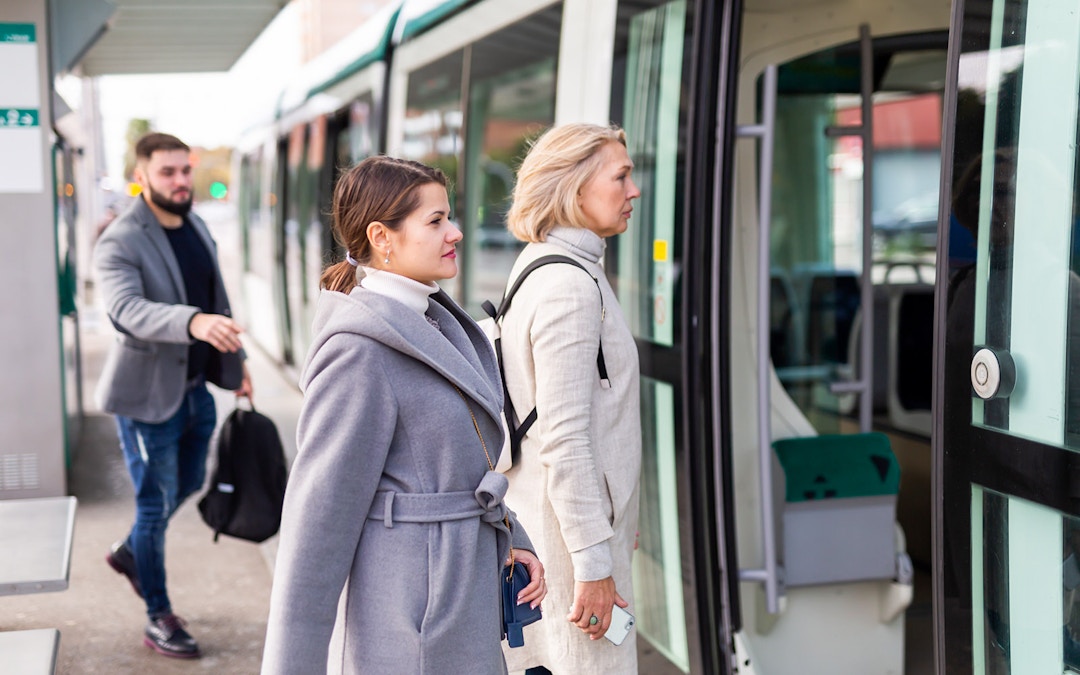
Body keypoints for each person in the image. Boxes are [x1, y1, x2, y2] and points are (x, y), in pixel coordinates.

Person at [261, 155, 546, 674]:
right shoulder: (359, 350)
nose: (455, 232)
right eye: (435, 221)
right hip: (411, 621)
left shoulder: (434, 319)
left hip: (456, 595)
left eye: (449, 216)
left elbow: (462, 467)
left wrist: (510, 535)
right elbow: (316, 525)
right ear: (381, 236)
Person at [93, 132, 253, 658]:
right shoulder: (120, 239)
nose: (181, 181)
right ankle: (158, 613)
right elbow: (127, 311)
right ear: (141, 177)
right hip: (146, 399)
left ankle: (131, 553)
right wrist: (195, 323)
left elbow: (217, 298)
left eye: (185, 170)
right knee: (152, 507)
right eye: (168, 172)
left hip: (195, 389)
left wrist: (237, 366)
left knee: (186, 484)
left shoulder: (196, 225)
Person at [498, 123, 643, 674]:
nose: (634, 190)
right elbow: (564, 437)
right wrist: (591, 561)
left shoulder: (550, 265)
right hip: (570, 540)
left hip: (566, 524)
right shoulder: (569, 287)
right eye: (621, 176)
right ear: (574, 186)